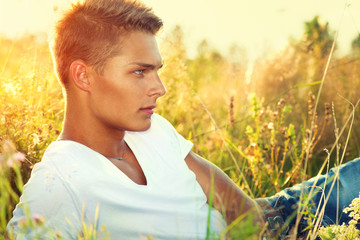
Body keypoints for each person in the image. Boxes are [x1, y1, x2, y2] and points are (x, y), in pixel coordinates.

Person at [6, 0, 360, 239]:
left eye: (157, 70)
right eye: (140, 72)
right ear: (83, 76)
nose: (159, 88)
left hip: (275, 215)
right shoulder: (56, 188)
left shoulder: (152, 129)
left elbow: (238, 204)